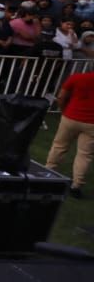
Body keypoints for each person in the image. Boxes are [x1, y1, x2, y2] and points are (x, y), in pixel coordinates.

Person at [46, 69, 94, 198]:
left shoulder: (76, 78)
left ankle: (48, 173)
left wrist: (64, 111)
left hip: (71, 117)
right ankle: (76, 185)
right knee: (85, 154)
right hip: (92, 123)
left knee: (59, 146)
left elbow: (61, 96)